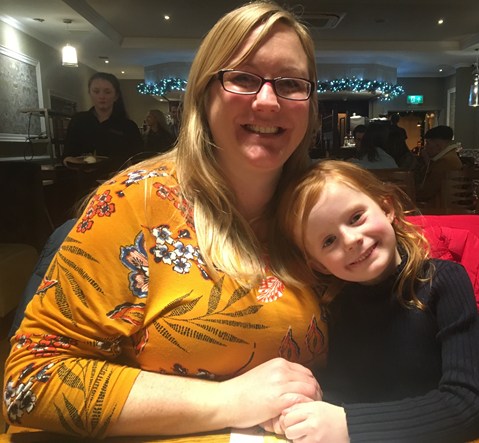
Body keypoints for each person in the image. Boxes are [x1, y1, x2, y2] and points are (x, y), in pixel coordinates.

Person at [3, 2, 327, 438]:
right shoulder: (134, 201)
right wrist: (227, 401)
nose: (268, 101)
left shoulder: (316, 205)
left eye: (290, 83)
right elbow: (29, 383)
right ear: (204, 94)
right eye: (243, 78)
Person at [272, 160, 479, 442]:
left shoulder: (445, 282)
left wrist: (349, 425)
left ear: (387, 208)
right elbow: (341, 389)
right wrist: (299, 412)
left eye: (355, 217)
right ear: (320, 265)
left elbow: (468, 406)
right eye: (328, 241)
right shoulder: (334, 304)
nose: (350, 240)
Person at [63, 72, 143, 172]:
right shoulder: (78, 120)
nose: (101, 96)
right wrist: (73, 162)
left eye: (107, 92)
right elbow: (67, 156)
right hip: (83, 180)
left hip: (116, 181)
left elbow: (139, 160)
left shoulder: (128, 126)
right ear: (90, 93)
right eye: (96, 91)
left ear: (116, 96)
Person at [415, 125, 463, 204]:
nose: (425, 148)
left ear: (438, 145)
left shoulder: (445, 162)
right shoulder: (451, 157)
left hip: (438, 208)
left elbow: (427, 191)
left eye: (428, 143)